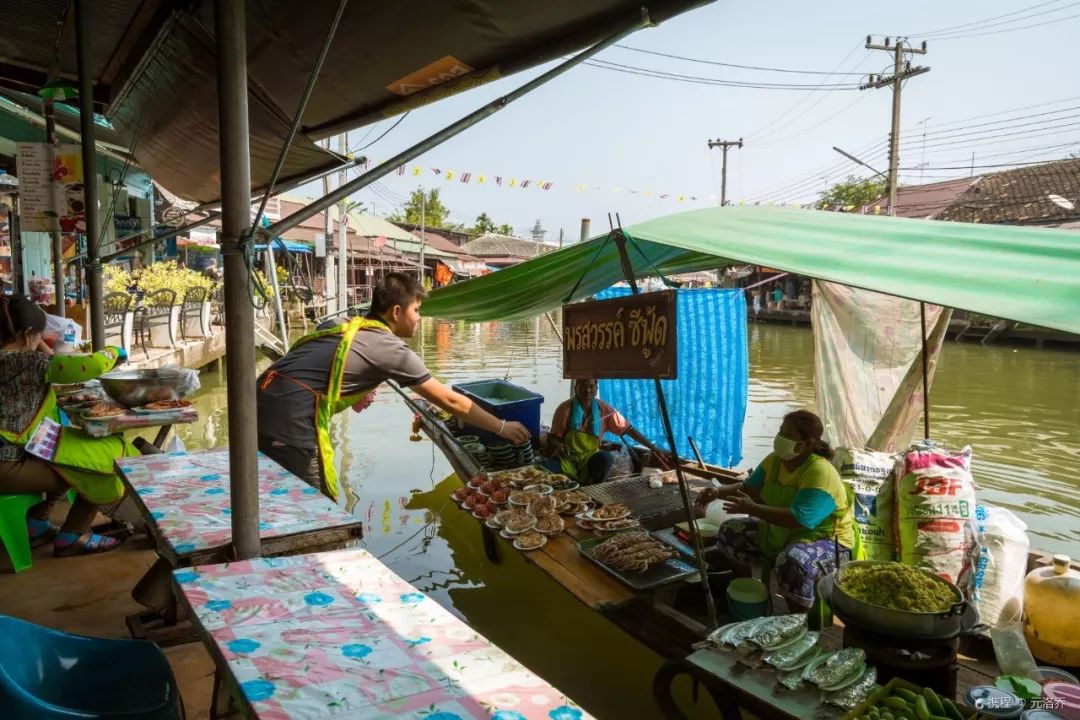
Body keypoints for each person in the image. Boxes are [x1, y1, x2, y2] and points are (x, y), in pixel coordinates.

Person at [257, 272, 530, 500]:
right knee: (314, 507)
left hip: (258, 402)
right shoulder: (390, 349)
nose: (419, 318)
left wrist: (357, 391)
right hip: (290, 419)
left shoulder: (342, 323)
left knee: (277, 495)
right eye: (416, 310)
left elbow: (325, 365)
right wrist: (501, 427)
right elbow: (450, 401)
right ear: (397, 312)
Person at [0, 294, 137, 556]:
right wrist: (112, 351)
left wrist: (33, 340)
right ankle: (72, 536)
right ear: (28, 333)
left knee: (69, 453)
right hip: (6, 467)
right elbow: (90, 365)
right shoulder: (27, 364)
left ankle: (36, 524)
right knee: (98, 465)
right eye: (39, 335)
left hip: (11, 456)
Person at [695, 410, 857, 609]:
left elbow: (799, 519)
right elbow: (749, 488)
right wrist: (717, 492)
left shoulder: (819, 472)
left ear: (807, 444)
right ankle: (749, 590)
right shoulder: (775, 460)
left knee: (793, 559)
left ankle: (797, 620)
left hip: (826, 541)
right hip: (780, 533)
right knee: (730, 531)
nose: (780, 438)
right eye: (781, 432)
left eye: (788, 435)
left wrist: (754, 509)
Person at [544, 378, 670, 485]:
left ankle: (592, 487)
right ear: (576, 388)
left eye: (591, 386)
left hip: (589, 458)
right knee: (546, 471)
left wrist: (653, 447)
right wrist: (559, 445)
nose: (587, 390)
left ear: (596, 389)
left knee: (605, 458)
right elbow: (552, 438)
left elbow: (628, 429)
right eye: (583, 386)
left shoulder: (604, 409)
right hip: (567, 459)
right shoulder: (565, 409)